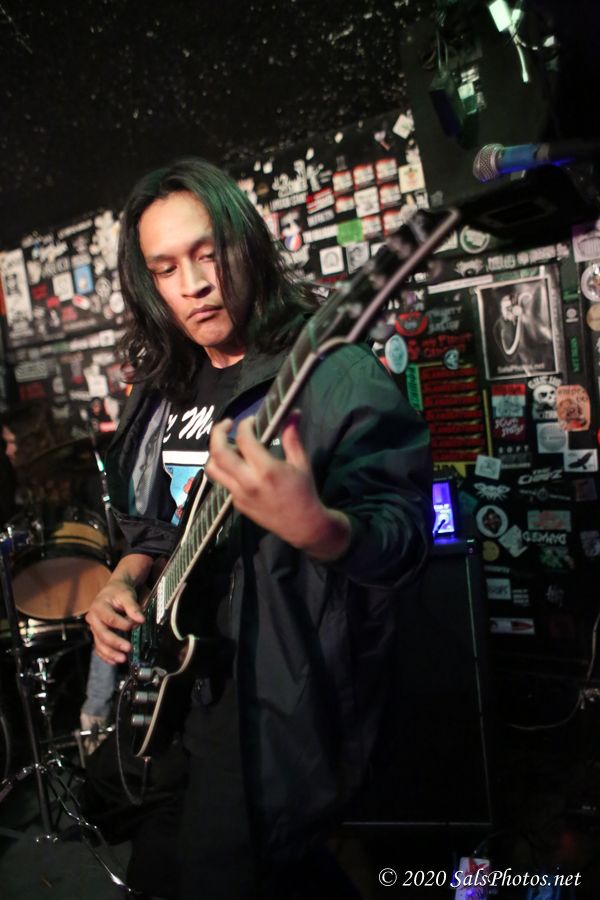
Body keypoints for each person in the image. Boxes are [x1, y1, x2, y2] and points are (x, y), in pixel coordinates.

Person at [85, 157, 433, 900]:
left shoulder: (330, 372)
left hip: (268, 704)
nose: (194, 283)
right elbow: (153, 526)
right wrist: (123, 579)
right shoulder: (162, 387)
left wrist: (318, 528)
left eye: (209, 254)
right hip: (172, 689)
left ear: (248, 246)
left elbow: (404, 539)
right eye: (166, 268)